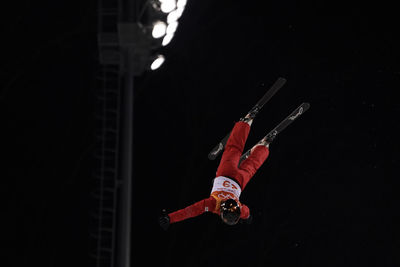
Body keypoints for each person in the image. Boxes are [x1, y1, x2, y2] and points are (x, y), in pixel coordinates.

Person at [159, 115, 270, 230]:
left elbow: (191, 211)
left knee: (243, 157)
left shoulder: (215, 205)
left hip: (234, 178)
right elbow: (192, 211)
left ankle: (259, 141)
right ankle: (257, 139)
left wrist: (171, 218)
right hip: (231, 176)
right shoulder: (219, 206)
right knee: (238, 153)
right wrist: (247, 217)